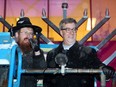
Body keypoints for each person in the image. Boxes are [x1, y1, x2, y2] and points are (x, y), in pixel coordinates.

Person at [43, 18, 115, 87]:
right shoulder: (52, 54)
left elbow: (97, 67)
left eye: (74, 29)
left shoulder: (88, 52)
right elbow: (47, 80)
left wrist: (104, 69)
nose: (71, 32)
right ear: (61, 32)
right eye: (68, 30)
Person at [10, 17, 47, 87]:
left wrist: (37, 51)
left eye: (31, 33)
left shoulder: (36, 53)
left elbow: (41, 74)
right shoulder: (9, 52)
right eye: (25, 32)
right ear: (17, 35)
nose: (28, 36)